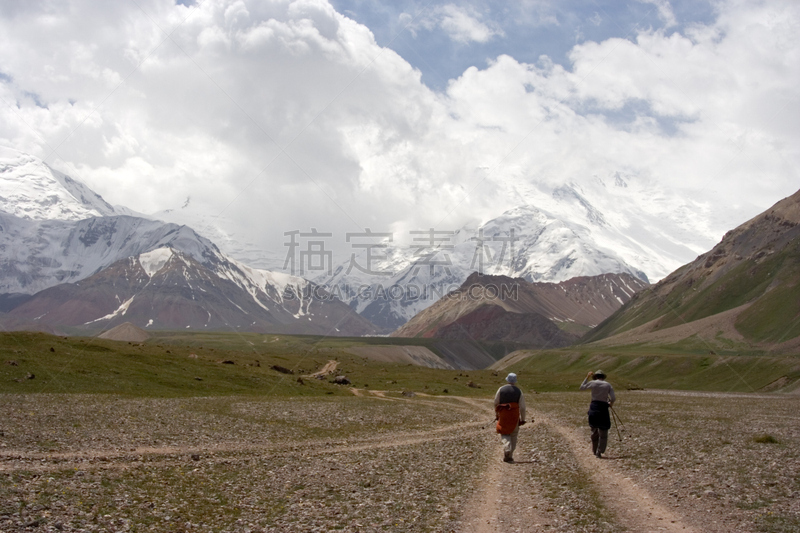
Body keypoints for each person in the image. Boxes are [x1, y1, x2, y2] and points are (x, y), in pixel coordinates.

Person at [580, 370, 616, 458]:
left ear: (595, 376)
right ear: (603, 377)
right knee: (603, 432)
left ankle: (594, 450)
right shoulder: (608, 385)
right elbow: (613, 398)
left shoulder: (592, 383)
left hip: (594, 407)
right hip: (603, 408)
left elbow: (582, 387)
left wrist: (587, 377)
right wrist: (610, 404)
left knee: (594, 431)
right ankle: (599, 452)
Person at [494, 372, 527, 463]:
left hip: (503, 415)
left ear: (507, 380)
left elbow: (496, 403)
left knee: (504, 432)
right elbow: (523, 407)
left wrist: (497, 414)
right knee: (514, 434)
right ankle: (510, 455)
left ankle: (506, 447)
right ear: (515, 381)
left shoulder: (501, 389)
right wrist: (523, 419)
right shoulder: (519, 391)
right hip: (514, 416)